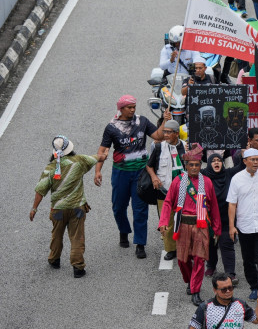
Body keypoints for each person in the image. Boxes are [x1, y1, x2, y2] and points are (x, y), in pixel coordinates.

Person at [94, 95, 162, 259]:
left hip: (140, 173)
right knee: (118, 207)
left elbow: (159, 136)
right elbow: (103, 150)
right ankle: (123, 231)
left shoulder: (142, 121)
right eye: (129, 107)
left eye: (134, 107)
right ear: (121, 108)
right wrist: (98, 171)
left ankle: (140, 244)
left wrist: (164, 120)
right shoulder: (112, 127)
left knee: (140, 209)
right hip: (121, 173)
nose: (133, 110)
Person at [158, 145, 222, 305]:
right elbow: (167, 203)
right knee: (182, 260)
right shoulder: (178, 182)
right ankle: (189, 280)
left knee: (199, 259)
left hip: (201, 226)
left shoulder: (206, 182)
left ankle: (195, 290)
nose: (194, 167)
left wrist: (216, 228)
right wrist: (164, 222)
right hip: (183, 226)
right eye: (191, 165)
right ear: (186, 166)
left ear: (201, 166)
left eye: (197, 165)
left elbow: (213, 206)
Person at [31, 135, 97, 277]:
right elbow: (96, 158)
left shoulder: (50, 168)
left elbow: (40, 190)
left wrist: (34, 208)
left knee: (56, 235)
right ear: (70, 149)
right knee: (77, 237)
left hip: (58, 210)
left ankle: (54, 259)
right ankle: (78, 268)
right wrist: (104, 153)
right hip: (77, 208)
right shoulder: (79, 161)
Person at [227, 148, 258, 303]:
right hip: (245, 225)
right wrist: (231, 226)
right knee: (248, 260)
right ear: (245, 161)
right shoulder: (237, 179)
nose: (255, 162)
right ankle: (254, 286)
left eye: (257, 159)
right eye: (252, 160)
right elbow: (232, 204)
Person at [146, 120, 186, 260]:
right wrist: (154, 178)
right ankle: (170, 249)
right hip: (164, 191)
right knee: (167, 222)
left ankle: (185, 247)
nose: (166, 134)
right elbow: (149, 166)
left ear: (176, 134)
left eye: (169, 132)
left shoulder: (186, 147)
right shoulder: (158, 147)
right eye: (165, 131)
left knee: (185, 220)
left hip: (184, 191)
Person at [203, 153, 242, 284]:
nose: (216, 163)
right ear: (209, 164)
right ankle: (211, 266)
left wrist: (244, 152)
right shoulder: (204, 175)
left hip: (226, 217)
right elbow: (189, 167)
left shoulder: (228, 173)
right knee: (210, 245)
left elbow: (242, 166)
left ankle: (230, 273)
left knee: (227, 244)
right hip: (209, 217)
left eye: (219, 160)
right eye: (213, 161)